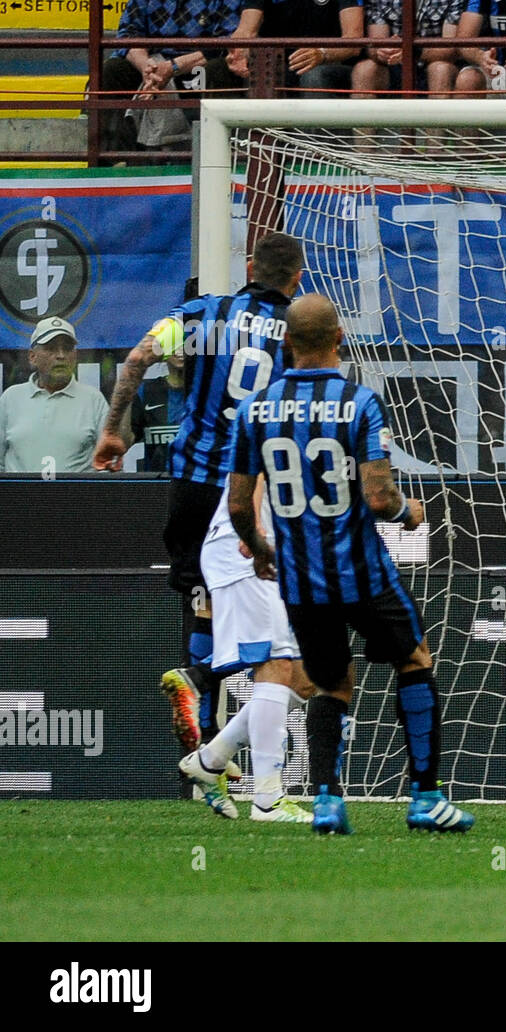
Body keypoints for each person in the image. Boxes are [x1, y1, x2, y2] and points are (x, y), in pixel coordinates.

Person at [228, 294, 473, 835]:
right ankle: (427, 797)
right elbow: (379, 497)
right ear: (339, 337)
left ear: (286, 342)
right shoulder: (359, 402)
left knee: (330, 682)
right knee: (413, 658)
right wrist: (409, 512)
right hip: (362, 570)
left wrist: (263, 551)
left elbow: (240, 505)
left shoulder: (255, 410)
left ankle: (327, 802)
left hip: (300, 578)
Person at [92, 232, 304, 761]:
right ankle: (206, 701)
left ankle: (203, 725)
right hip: (250, 487)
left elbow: (138, 358)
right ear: (297, 278)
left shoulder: (204, 312)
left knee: (200, 594)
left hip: (192, 478)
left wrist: (113, 430)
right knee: (268, 616)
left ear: (250, 267)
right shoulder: (300, 331)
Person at [180, 473, 316, 822]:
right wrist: (252, 526)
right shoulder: (276, 418)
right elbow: (256, 461)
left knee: (304, 680)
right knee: (274, 661)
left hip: (276, 548)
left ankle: (209, 760)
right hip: (242, 546)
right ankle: (268, 799)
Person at [98, 0, 245, 155]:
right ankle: (112, 158)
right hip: (152, 62)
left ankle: (215, 155)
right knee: (111, 70)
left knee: (218, 69)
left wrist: (173, 67)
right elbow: (128, 34)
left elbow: (227, 41)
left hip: (197, 63)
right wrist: (146, 68)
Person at [0, 318, 107, 474]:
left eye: (67, 348)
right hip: (20, 497)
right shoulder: (10, 399)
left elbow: (107, 470)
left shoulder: (93, 400)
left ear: (75, 356)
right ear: (32, 357)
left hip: (77, 498)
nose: (61, 355)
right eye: (51, 349)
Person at [221, 0, 365, 97]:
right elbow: (246, 30)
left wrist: (322, 53)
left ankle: (313, 142)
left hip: (332, 65)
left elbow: (353, 40)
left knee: (314, 76)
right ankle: (255, 141)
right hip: (281, 65)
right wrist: (238, 51)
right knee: (256, 71)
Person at [352, 0, 466, 100]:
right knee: (364, 70)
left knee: (440, 69)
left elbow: (450, 48)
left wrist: (410, 51)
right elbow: (376, 44)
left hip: (433, 62)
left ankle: (435, 124)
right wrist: (383, 51)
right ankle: (364, 125)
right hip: (393, 65)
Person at [125, 347, 185, 473]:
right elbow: (123, 441)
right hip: (156, 487)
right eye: (174, 342)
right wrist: (128, 385)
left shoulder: (207, 394)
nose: (181, 348)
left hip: (196, 486)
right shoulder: (145, 392)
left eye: (189, 343)